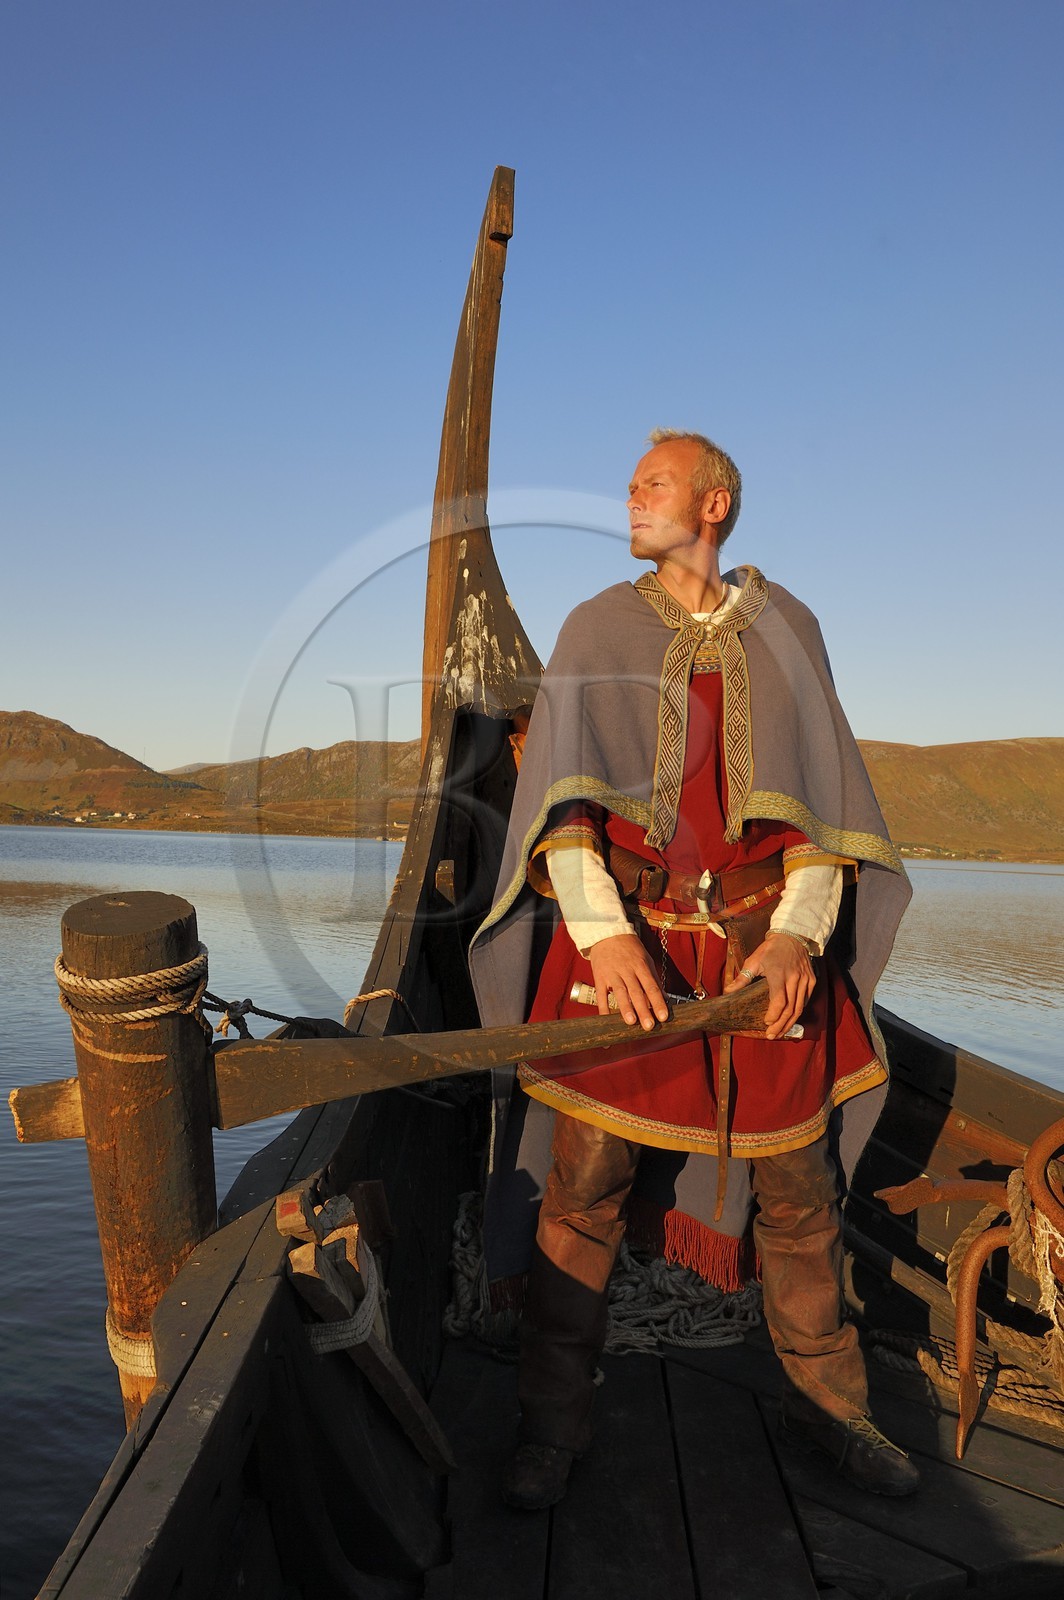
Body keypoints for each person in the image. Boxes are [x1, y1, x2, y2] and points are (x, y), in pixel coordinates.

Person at [469, 429, 917, 1509]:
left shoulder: (789, 630)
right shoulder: (595, 627)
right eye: (630, 484)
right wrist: (606, 935)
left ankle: (833, 1415)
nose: (631, 495)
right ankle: (550, 1426)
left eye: (654, 483)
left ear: (713, 504)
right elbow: (561, 817)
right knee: (579, 1194)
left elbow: (826, 823)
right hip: (624, 957)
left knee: (801, 1198)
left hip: (767, 958)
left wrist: (796, 938)